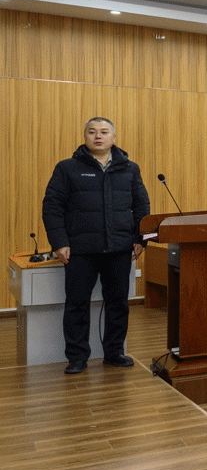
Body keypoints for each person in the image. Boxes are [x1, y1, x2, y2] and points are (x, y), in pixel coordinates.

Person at [42, 117, 149, 374]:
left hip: (120, 248)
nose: (97, 136)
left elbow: (141, 206)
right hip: (80, 249)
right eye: (92, 132)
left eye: (103, 132)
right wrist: (60, 242)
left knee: (118, 304)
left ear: (114, 138)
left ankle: (114, 352)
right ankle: (77, 357)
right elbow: (52, 207)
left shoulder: (130, 169)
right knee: (77, 304)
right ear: (85, 137)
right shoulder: (67, 168)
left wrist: (140, 239)